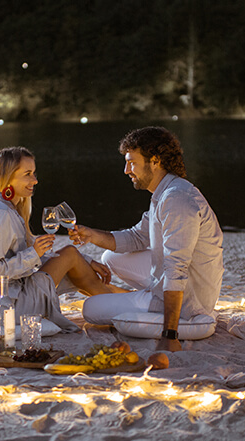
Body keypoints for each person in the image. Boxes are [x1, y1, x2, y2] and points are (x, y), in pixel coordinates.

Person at [70, 127, 224, 351]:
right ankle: (139, 300)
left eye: (132, 162)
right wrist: (91, 234)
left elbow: (176, 267)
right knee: (110, 257)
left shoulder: (177, 199)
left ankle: (152, 308)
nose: (126, 170)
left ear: (155, 161)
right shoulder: (165, 192)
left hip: (191, 301)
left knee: (91, 309)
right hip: (176, 284)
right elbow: (136, 237)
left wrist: (170, 334)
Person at [0, 146, 124, 332]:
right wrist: (34, 253)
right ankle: (125, 307)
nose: (35, 180)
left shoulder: (8, 209)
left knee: (72, 257)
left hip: (4, 296)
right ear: (8, 177)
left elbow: (23, 262)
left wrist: (86, 261)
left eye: (34, 173)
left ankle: (127, 302)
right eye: (27, 174)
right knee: (70, 254)